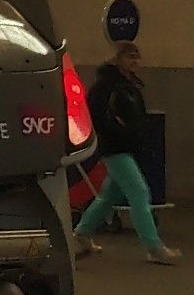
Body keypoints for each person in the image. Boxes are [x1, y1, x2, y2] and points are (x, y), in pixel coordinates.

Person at [73, 41, 181, 265]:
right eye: (130, 57)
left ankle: (81, 235)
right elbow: (98, 117)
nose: (135, 62)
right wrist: (118, 134)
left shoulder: (129, 85)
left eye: (136, 57)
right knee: (139, 192)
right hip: (114, 148)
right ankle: (153, 247)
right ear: (117, 59)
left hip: (126, 147)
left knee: (109, 196)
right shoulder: (105, 87)